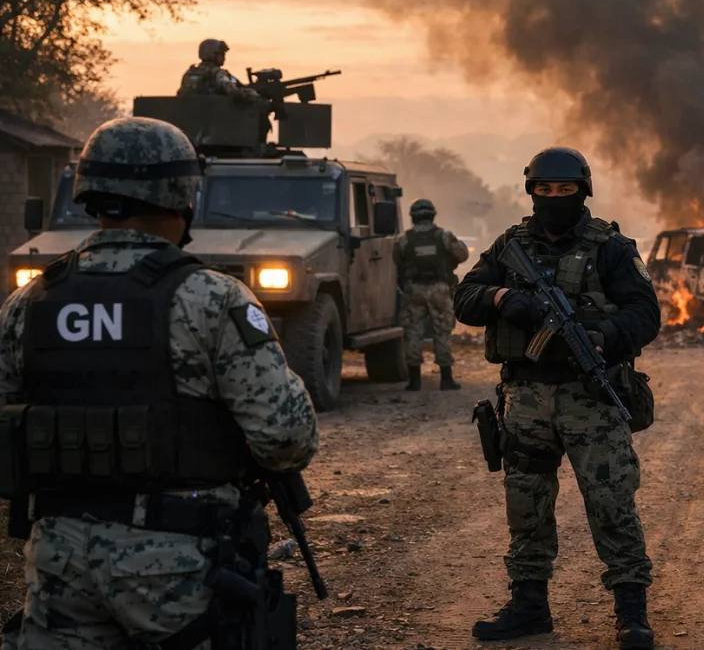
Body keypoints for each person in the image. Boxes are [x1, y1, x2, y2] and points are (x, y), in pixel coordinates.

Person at [0, 117, 319, 649]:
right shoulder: (211, 298)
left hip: (57, 559)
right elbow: (287, 438)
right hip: (178, 562)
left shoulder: (28, 304)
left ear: (90, 192)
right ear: (184, 195)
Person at [453, 147, 660, 650]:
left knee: (611, 502)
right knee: (526, 503)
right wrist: (503, 298)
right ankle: (529, 607)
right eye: (544, 191)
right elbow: (465, 298)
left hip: (589, 396)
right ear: (531, 191)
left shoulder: (610, 247)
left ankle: (631, 611)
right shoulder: (510, 245)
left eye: (564, 191)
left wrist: (603, 337)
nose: (553, 199)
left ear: (582, 191)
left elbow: (646, 313)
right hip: (525, 396)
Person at [394, 198, 470, 390]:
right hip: (439, 289)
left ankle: (414, 381)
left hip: (414, 290)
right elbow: (463, 254)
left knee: (413, 333)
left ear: (413, 217)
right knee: (442, 332)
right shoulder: (443, 237)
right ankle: (446, 379)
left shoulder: (405, 239)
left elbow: (397, 260)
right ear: (432, 215)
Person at [177, 39, 262, 102]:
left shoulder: (190, 72)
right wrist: (252, 96)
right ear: (212, 54)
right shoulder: (218, 73)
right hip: (215, 116)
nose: (224, 57)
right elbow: (233, 92)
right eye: (221, 54)